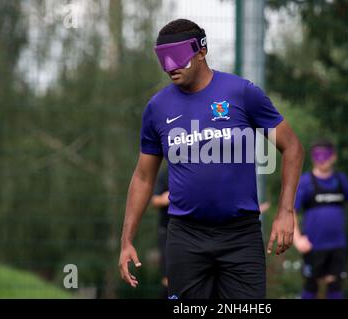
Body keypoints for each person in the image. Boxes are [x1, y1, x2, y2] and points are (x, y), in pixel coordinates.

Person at [118, 19, 304, 299]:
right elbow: (144, 177)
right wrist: (126, 239)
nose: (170, 65)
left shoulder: (241, 93)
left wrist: (285, 211)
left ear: (201, 51)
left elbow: (292, 147)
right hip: (185, 237)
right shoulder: (157, 108)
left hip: (241, 236)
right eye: (162, 58)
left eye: (177, 55)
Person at [293, 138, 348, 299]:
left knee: (336, 285)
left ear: (333, 156)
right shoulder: (305, 182)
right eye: (316, 155)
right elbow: (290, 212)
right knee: (311, 285)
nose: (321, 160)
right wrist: (297, 239)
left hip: (337, 244)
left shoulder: (340, 180)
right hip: (313, 246)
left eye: (324, 155)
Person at [149, 163, 170, 298]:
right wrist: (167, 198)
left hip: (193, 231)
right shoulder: (165, 173)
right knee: (168, 277)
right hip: (167, 230)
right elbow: (154, 200)